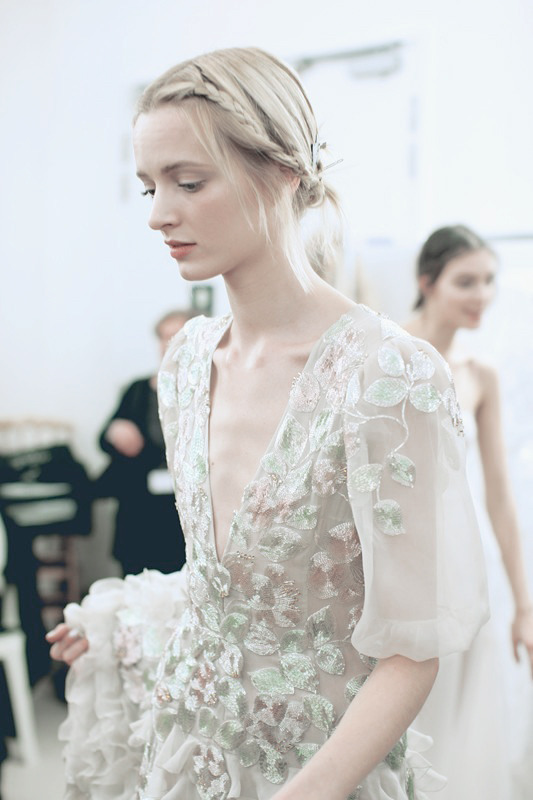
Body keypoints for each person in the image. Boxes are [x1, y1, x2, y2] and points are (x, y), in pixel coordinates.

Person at [47, 48, 489, 800]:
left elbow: (412, 651)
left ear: (284, 170)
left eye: (188, 182)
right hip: (186, 758)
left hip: (320, 772)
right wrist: (131, 622)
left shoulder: (388, 376)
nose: (158, 214)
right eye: (149, 187)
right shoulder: (185, 361)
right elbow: (235, 589)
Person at [404, 224, 533, 800]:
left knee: (460, 719)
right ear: (426, 282)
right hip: (400, 562)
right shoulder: (386, 353)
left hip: (467, 565)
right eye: (466, 281)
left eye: (488, 281)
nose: (481, 294)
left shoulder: (482, 375)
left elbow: (500, 496)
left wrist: (524, 604)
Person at [97, 309, 196, 576]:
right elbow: (104, 439)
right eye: (164, 337)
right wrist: (113, 431)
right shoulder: (138, 389)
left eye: (177, 336)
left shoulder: (206, 389)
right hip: (139, 508)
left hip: (185, 510)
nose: (169, 343)